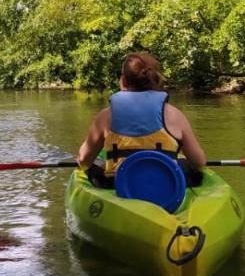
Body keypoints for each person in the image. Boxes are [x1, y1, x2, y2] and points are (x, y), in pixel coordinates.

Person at [77, 52, 206, 187]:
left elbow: (83, 159)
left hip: (121, 186)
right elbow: (199, 162)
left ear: (123, 81)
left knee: (95, 165)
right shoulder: (174, 114)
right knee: (186, 166)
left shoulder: (106, 116)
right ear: (154, 79)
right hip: (164, 185)